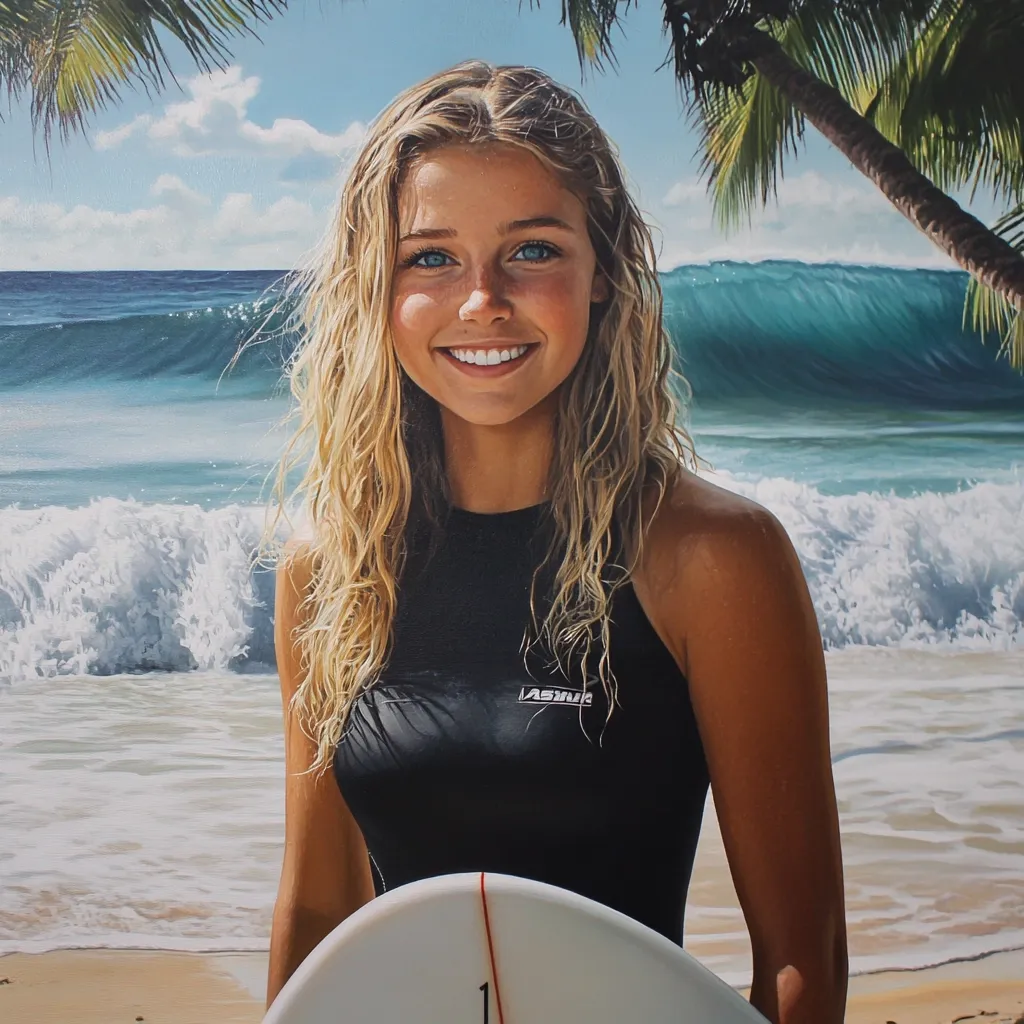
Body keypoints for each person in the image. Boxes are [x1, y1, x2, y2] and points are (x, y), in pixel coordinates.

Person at [260, 59, 847, 1024]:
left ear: (602, 269)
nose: (482, 299)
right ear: (377, 285)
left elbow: (800, 959)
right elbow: (319, 909)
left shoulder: (708, 559)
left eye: (532, 250)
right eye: (431, 258)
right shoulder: (333, 567)